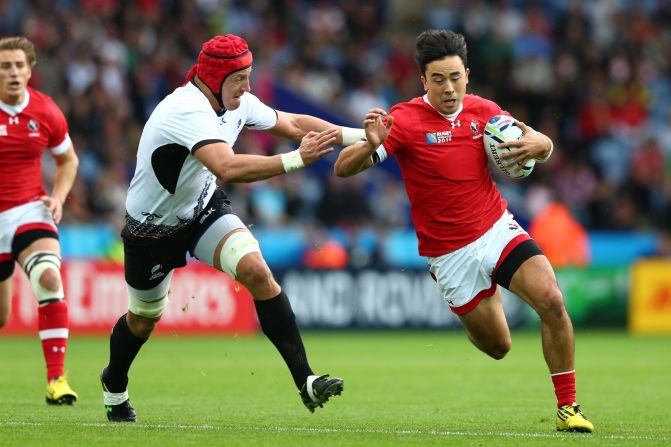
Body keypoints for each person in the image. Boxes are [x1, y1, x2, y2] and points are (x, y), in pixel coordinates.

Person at [334, 29, 594, 433]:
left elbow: (537, 143)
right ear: (423, 81)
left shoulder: (484, 111)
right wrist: (369, 146)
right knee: (498, 347)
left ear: (467, 75)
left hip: (496, 228)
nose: (448, 88)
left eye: (455, 77)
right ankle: (476, 308)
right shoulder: (402, 120)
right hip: (450, 253)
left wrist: (542, 144)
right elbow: (342, 168)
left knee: (551, 299)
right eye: (438, 79)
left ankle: (568, 407)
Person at [100, 34, 366, 422]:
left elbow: (292, 122)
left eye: (248, 75)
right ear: (215, 77)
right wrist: (295, 160)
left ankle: (306, 380)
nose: (248, 86)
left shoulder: (234, 101)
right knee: (143, 319)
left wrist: (360, 135)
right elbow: (226, 167)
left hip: (203, 208)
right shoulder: (185, 109)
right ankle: (114, 382)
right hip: (151, 231)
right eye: (240, 78)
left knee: (257, 272)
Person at [0, 36, 79, 405]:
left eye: (19, 65)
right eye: (5, 66)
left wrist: (58, 198)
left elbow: (68, 160)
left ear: (30, 70)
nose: (13, 72)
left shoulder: (46, 111)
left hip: (29, 210)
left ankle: (57, 379)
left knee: (49, 277)